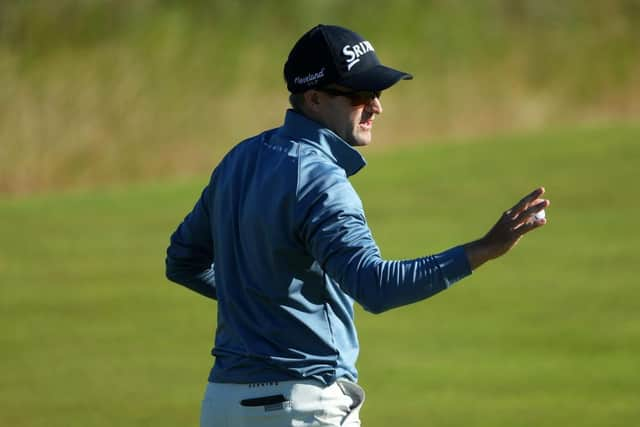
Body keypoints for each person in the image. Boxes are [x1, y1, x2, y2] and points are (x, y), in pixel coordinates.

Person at [165, 24, 549, 427]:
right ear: (313, 99)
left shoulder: (238, 160)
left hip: (222, 406)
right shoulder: (321, 180)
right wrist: (485, 248)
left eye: (378, 92)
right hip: (301, 409)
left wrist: (263, 305)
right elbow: (375, 287)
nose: (377, 106)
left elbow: (182, 261)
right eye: (360, 94)